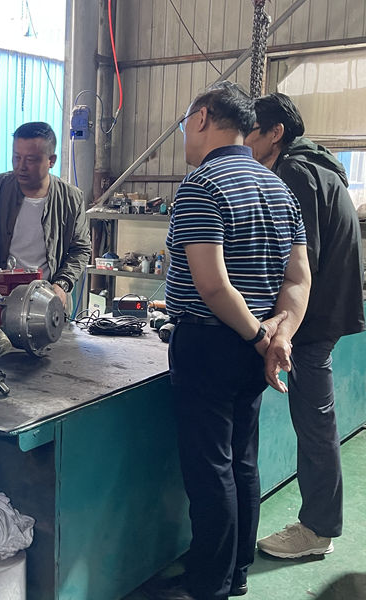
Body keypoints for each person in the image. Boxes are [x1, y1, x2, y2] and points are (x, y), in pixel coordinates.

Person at [154, 82, 311, 600]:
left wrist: (261, 337)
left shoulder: (202, 185)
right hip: (251, 349)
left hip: (211, 343)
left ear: (201, 118)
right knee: (242, 460)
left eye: (185, 123)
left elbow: (213, 286)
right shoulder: (278, 188)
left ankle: (208, 585)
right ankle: (237, 571)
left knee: (211, 469)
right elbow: (298, 278)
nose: (184, 133)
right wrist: (279, 334)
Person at [245, 93, 365, 559]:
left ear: (275, 133)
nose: (243, 142)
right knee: (317, 418)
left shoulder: (295, 172)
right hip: (327, 313)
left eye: (250, 132)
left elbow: (299, 260)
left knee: (315, 422)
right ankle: (320, 523)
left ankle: (317, 529)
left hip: (311, 322)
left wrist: (276, 325)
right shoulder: (319, 166)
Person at [0, 121, 90, 308]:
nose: (21, 166)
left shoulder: (71, 198)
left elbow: (81, 249)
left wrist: (62, 283)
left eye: (31, 160)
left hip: (47, 301)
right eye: (17, 157)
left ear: (51, 160)